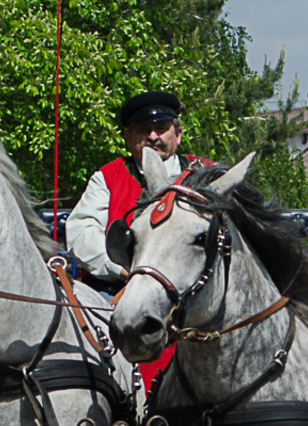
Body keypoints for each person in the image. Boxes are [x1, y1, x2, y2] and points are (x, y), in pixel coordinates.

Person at [65, 90, 213, 287]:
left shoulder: (206, 173)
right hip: (117, 289)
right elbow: (82, 232)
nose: (153, 137)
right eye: (144, 130)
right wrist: (125, 269)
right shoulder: (108, 177)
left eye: (161, 128)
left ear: (177, 135)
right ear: (128, 136)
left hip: (195, 293)